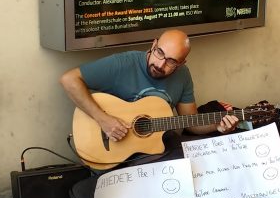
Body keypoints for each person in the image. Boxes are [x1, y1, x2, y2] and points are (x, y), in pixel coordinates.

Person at [60, 29, 238, 149]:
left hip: (152, 152)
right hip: (113, 151)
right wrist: (103, 120)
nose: (160, 64)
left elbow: (190, 123)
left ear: (181, 63)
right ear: (153, 45)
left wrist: (218, 126)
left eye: (171, 61)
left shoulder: (183, 75)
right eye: (159, 52)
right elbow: (69, 79)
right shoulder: (123, 63)